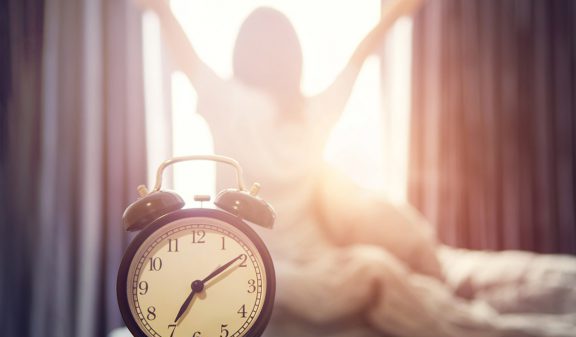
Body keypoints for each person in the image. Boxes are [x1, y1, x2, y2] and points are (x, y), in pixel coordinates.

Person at [135, 0, 443, 281]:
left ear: (241, 54)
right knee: (376, 267)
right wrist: (391, 16)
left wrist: (161, 10)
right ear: (295, 58)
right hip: (314, 265)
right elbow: (357, 60)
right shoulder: (313, 113)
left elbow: (187, 57)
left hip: (246, 263)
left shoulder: (228, 104)